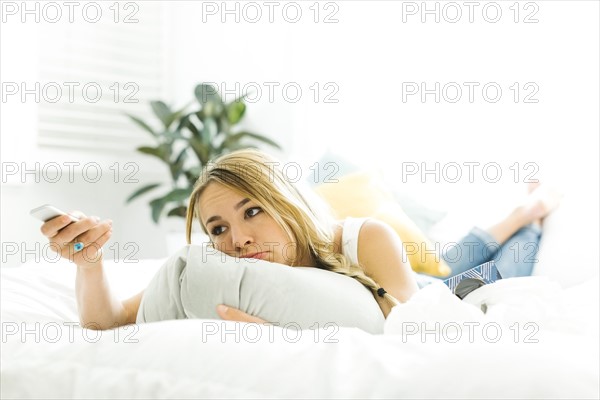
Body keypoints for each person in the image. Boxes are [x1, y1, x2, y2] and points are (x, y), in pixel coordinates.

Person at [40, 149, 561, 330]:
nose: (238, 239)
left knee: (494, 263)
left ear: (286, 201)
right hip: (417, 273)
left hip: (433, 287)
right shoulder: (232, 267)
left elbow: (405, 325)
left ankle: (531, 207)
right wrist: (89, 263)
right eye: (217, 229)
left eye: (253, 212)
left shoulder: (367, 238)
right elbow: (104, 321)